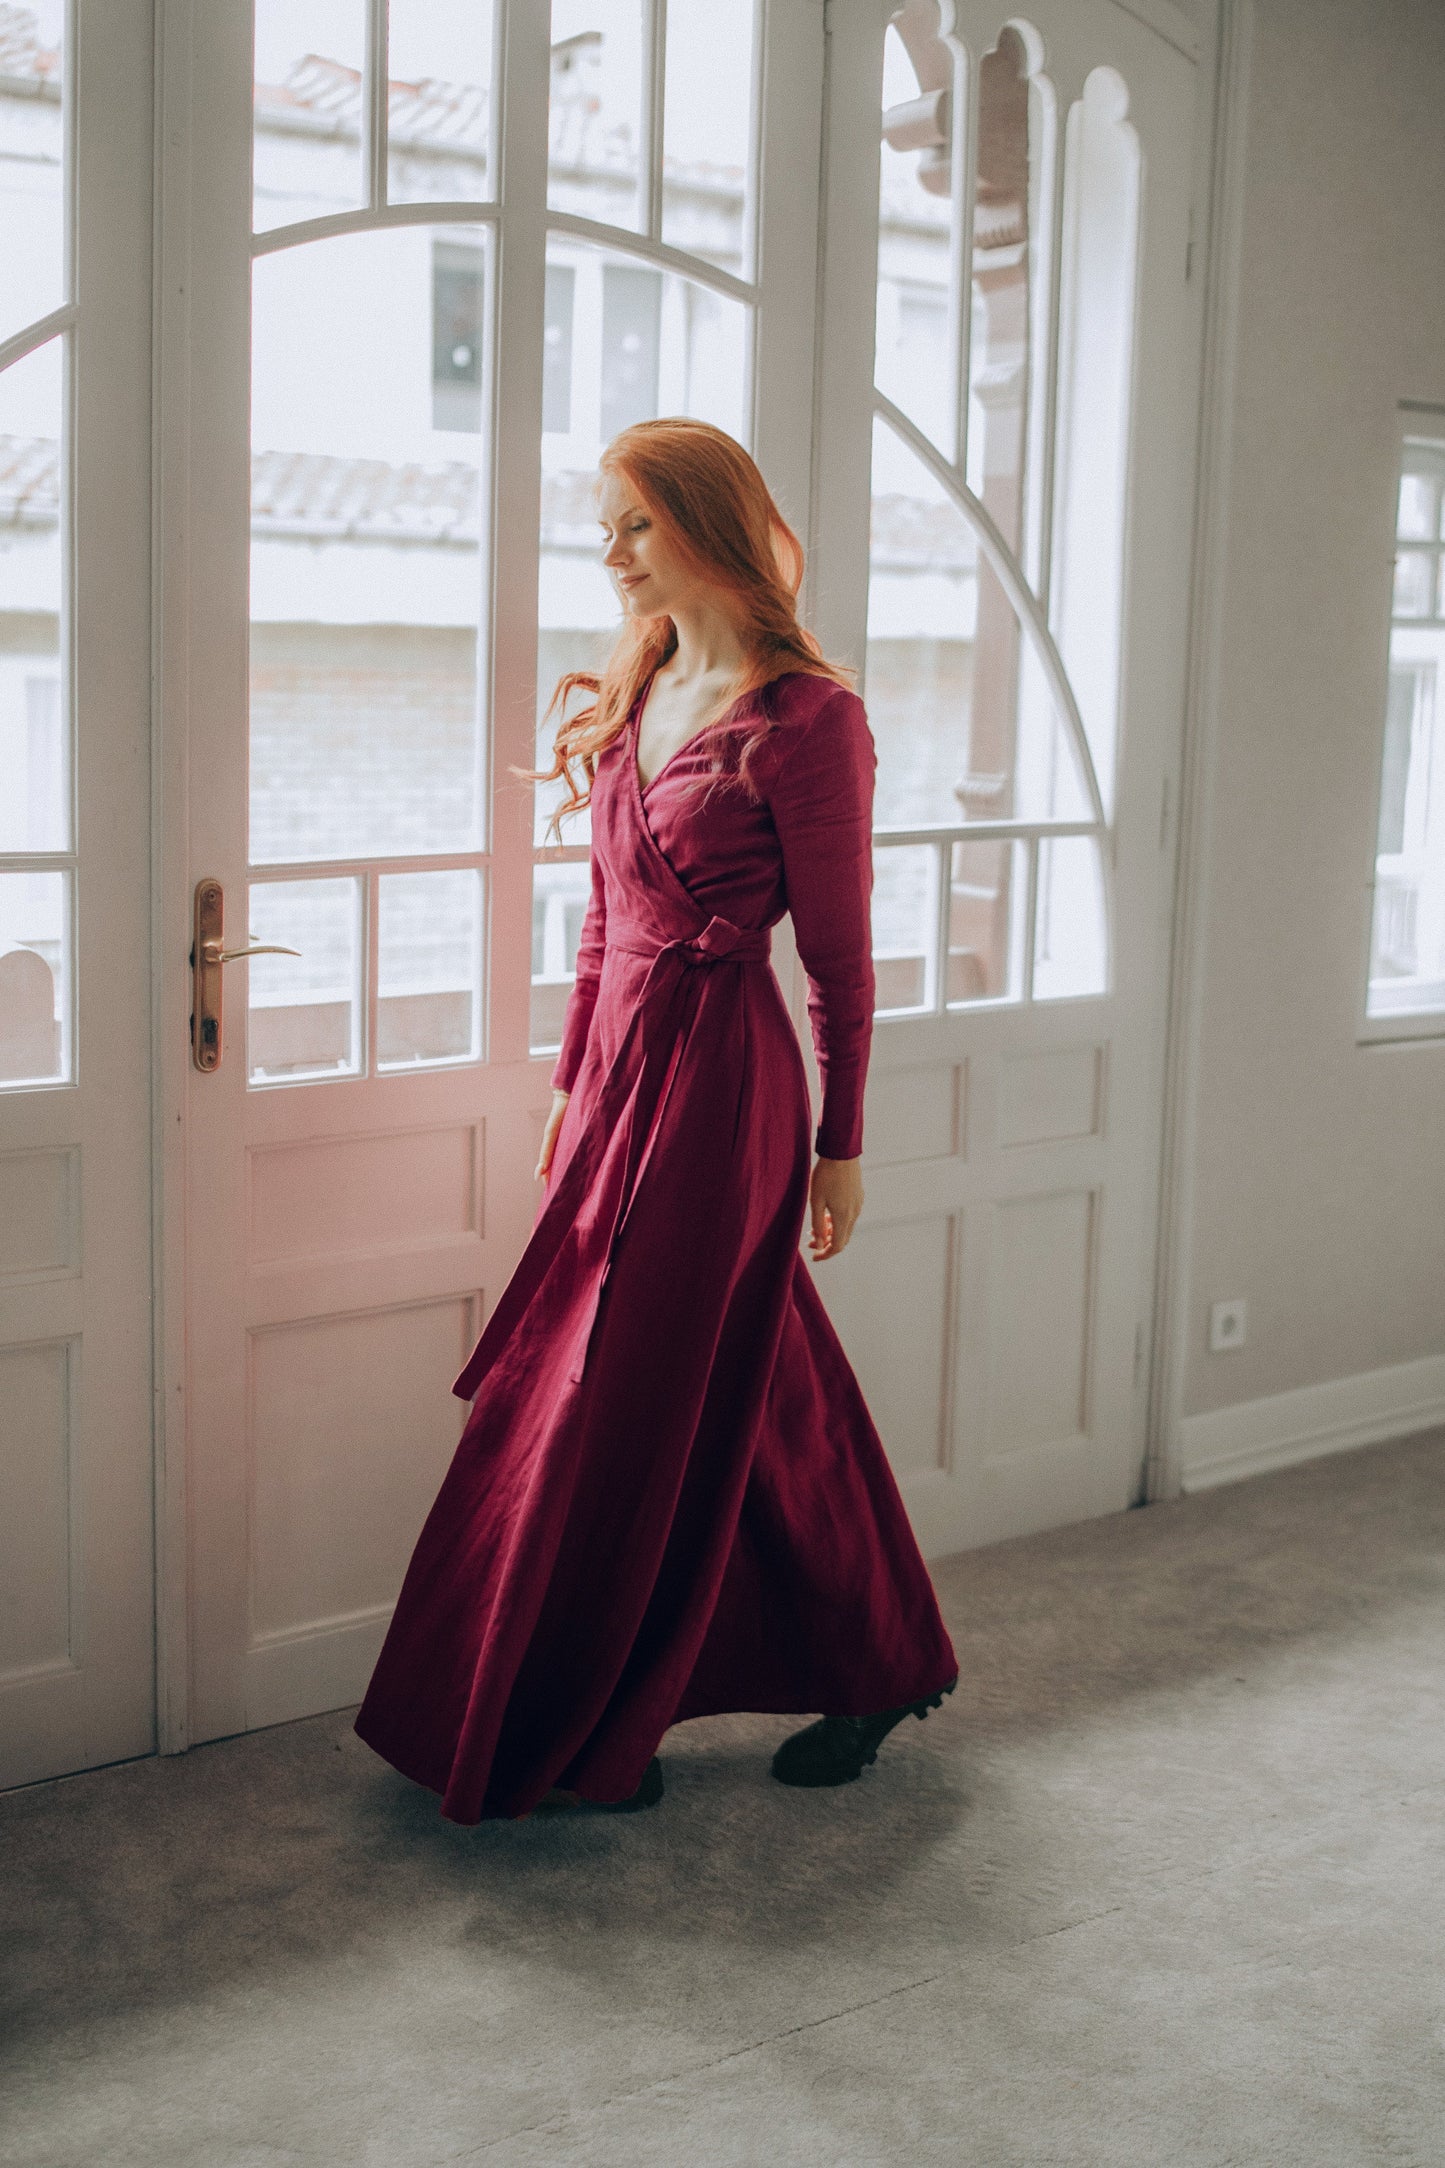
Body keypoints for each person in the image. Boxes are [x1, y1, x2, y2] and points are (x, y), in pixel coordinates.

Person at [354, 418, 958, 1821]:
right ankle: (884, 1657)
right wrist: (571, 1077)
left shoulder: (810, 720)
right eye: (605, 525)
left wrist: (842, 1142)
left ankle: (584, 1717)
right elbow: (602, 917)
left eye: (632, 524)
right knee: (749, 1385)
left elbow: (843, 962)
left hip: (724, 1089)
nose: (609, 553)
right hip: (622, 1082)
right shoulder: (647, 681)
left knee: (621, 1388)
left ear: (706, 525)